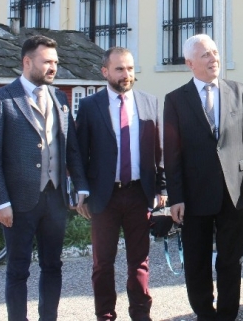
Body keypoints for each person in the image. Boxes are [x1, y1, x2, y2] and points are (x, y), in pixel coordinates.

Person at [0, 35, 89, 321]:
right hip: (18, 201)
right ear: (27, 62)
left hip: (54, 198)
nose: (53, 67)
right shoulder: (1, 99)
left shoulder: (60, 98)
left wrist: (81, 186)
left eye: (55, 62)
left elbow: (71, 147)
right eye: (47, 62)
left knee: (53, 266)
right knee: (18, 268)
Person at [164, 34, 243, 321]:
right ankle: (205, 313)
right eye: (205, 55)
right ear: (189, 63)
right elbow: (172, 153)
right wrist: (176, 197)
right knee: (197, 262)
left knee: (231, 260)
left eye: (215, 53)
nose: (213, 58)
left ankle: (228, 315)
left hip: (233, 193)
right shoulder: (176, 100)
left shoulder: (237, 91)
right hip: (194, 197)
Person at [75, 47, 167, 321]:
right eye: (119, 69)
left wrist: (161, 189)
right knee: (103, 263)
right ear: (105, 72)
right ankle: (105, 315)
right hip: (105, 197)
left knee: (139, 262)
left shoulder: (149, 103)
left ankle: (140, 314)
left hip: (139, 194)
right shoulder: (91, 107)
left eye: (130, 69)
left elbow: (158, 151)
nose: (126, 75)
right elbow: (79, 153)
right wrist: (81, 190)